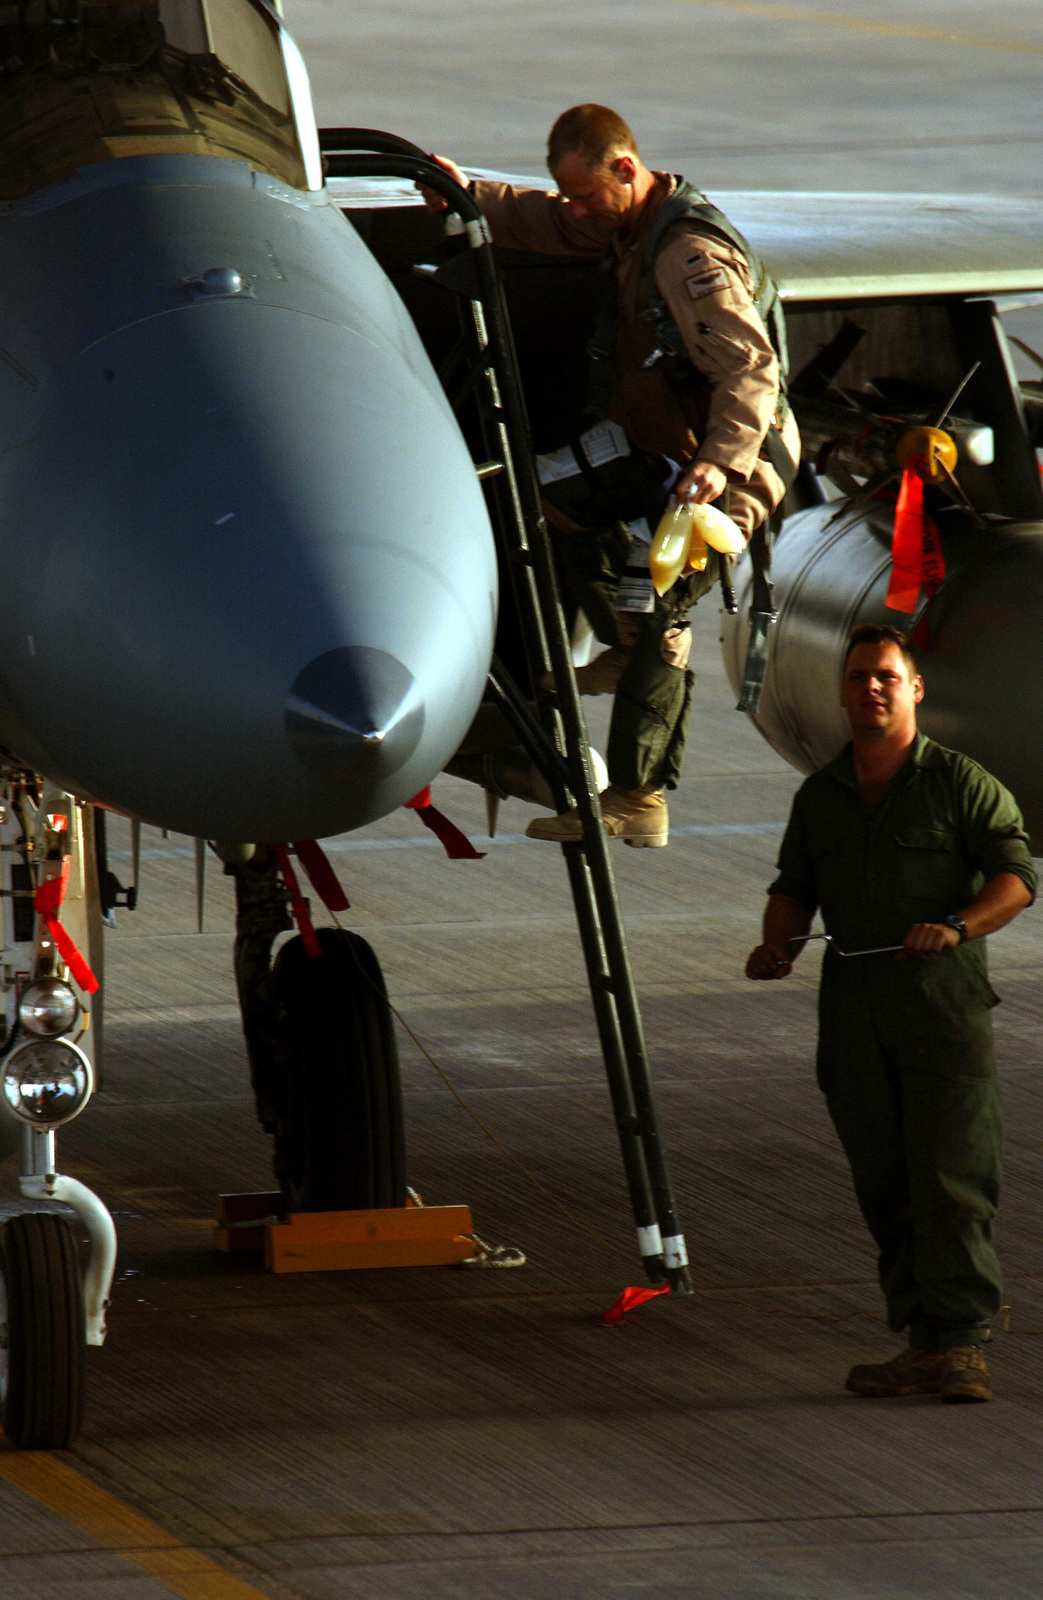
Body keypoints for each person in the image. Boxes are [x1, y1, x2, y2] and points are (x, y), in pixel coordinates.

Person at [421, 104, 799, 848]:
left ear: (626, 169)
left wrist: (719, 468)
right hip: (659, 448)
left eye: (588, 195)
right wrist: (470, 195)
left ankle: (639, 795)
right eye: (572, 197)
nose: (579, 212)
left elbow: (751, 372)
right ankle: (614, 645)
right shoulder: (629, 224)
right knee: (533, 499)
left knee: (661, 601)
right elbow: (553, 222)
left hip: (730, 466)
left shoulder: (688, 256)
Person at [746, 623, 1035, 1402]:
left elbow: (1014, 878)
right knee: (885, 1181)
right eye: (857, 678)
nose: (870, 688)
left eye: (884, 676)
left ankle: (961, 1344)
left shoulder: (959, 783)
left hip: (939, 1010)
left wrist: (957, 925)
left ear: (913, 689)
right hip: (852, 1011)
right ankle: (921, 1342)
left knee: (953, 1178)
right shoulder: (821, 796)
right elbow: (792, 886)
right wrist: (777, 944)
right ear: (843, 694)